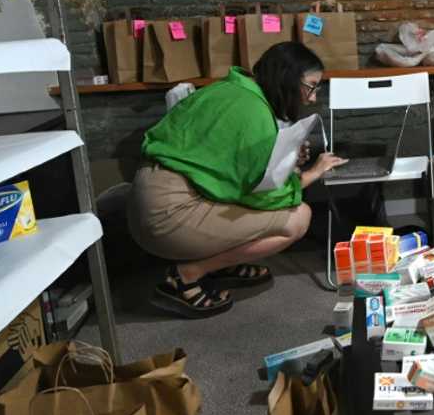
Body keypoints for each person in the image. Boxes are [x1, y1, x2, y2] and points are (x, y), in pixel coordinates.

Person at [128, 42, 346, 318]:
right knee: (297, 218)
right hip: (168, 216)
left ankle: (219, 262)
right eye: (311, 86)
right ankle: (185, 276)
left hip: (150, 198)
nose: (312, 97)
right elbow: (265, 196)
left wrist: (282, 159)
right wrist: (313, 172)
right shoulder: (254, 113)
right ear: (288, 79)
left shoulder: (229, 90)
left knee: (268, 209)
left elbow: (223, 166)